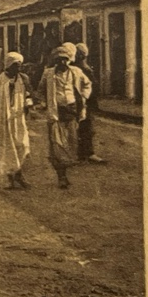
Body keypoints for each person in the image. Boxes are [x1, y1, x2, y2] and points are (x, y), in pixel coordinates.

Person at [37, 45, 92, 189]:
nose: (62, 63)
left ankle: (65, 171)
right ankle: (61, 176)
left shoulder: (76, 72)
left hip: (71, 112)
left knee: (71, 143)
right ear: (55, 60)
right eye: (59, 60)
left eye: (65, 60)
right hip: (56, 113)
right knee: (57, 145)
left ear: (69, 60)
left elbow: (87, 84)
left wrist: (84, 97)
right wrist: (44, 102)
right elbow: (41, 90)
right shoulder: (48, 74)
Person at [0, 51, 34, 189]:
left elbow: (28, 95)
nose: (18, 68)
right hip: (4, 116)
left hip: (19, 116)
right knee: (8, 146)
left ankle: (18, 173)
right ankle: (12, 177)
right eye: (15, 65)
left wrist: (29, 106)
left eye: (20, 65)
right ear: (9, 65)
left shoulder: (24, 79)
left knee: (22, 144)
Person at [74, 42, 105, 164]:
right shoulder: (84, 69)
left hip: (79, 102)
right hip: (85, 102)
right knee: (86, 128)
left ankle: (81, 153)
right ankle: (87, 153)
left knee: (81, 128)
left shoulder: (75, 68)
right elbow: (94, 87)